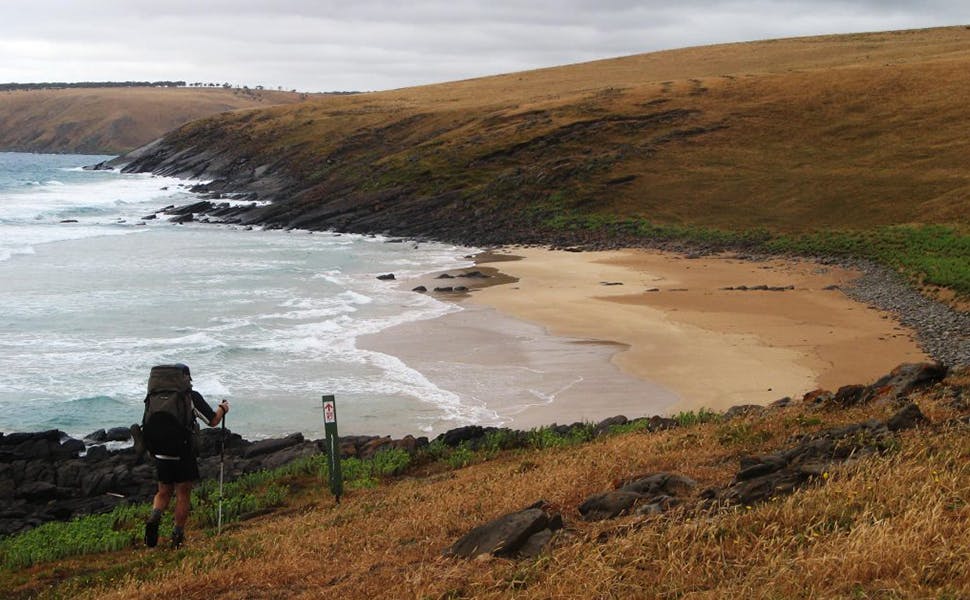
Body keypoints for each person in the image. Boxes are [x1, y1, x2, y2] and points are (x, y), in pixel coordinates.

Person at [143, 363, 229, 549]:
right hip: (183, 453)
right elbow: (212, 421)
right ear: (185, 378)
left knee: (163, 492)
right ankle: (178, 535)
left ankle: (155, 516)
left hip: (160, 452)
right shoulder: (190, 397)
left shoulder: (154, 396)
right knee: (183, 494)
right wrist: (223, 409)